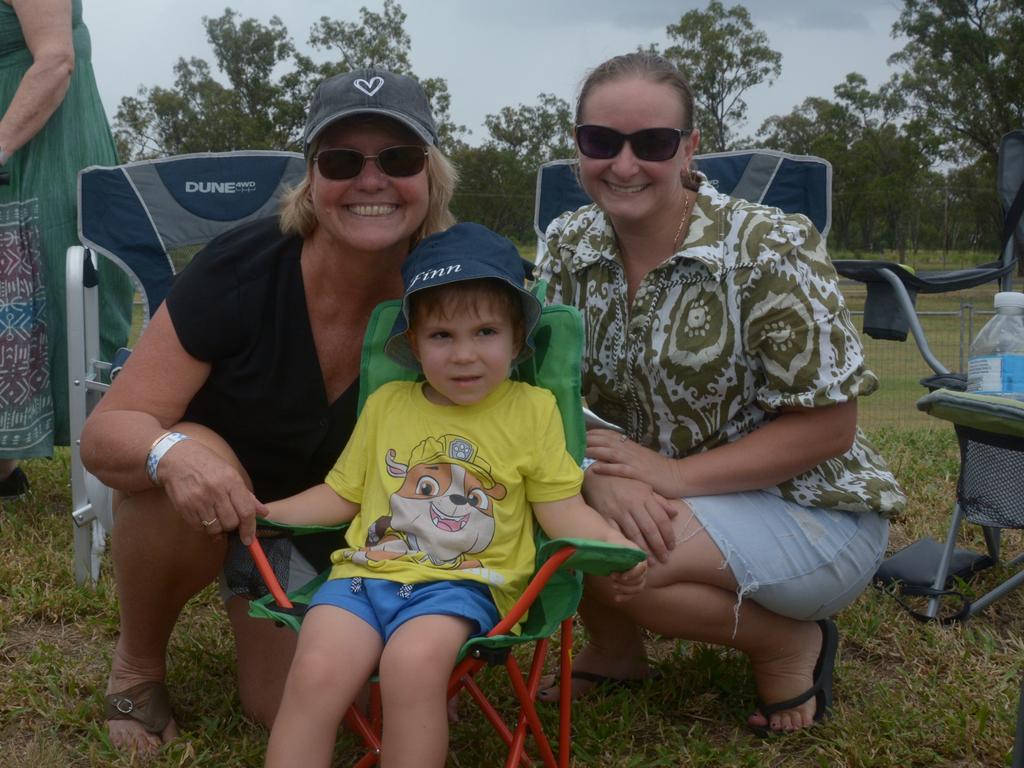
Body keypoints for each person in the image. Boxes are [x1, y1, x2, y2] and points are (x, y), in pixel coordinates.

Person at [78, 67, 458, 752]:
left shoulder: (459, 288)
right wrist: (174, 455)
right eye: (342, 161)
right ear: (312, 179)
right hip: (232, 514)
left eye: (398, 159)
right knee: (170, 454)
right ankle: (137, 667)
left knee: (299, 710)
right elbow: (107, 434)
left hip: (373, 540)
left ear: (430, 176)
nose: (371, 182)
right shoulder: (241, 270)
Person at [536, 52, 906, 735]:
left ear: (689, 147)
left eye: (652, 143)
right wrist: (596, 479)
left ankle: (791, 642)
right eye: (600, 141)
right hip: (656, 494)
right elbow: (545, 395)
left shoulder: (767, 248)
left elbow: (830, 429)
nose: (623, 164)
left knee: (619, 558)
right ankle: (616, 652)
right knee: (548, 516)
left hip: (808, 507)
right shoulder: (566, 243)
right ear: (577, 145)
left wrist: (669, 476)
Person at [261, 222, 647, 768]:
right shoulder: (389, 405)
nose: (464, 355)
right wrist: (267, 511)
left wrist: (614, 545)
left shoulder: (531, 411)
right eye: (442, 336)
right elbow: (341, 494)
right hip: (363, 576)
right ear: (414, 344)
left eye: (485, 332)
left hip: (462, 586)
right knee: (315, 672)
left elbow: (563, 511)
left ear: (517, 340)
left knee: (411, 665)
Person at [0, 0, 133, 498]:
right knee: (14, 307)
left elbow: (56, 59)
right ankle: (5, 469)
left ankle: (113, 473)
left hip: (44, 147)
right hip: (18, 151)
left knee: (63, 295)